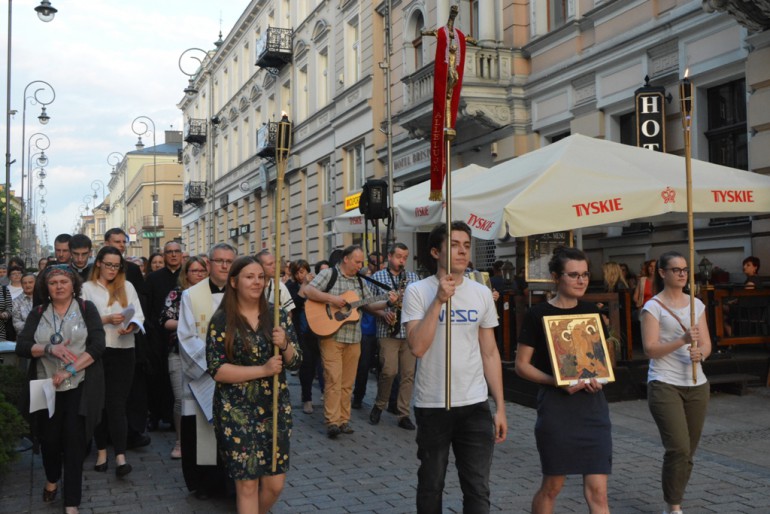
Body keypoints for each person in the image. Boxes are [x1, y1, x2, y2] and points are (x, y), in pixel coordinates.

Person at [402, 221, 507, 513]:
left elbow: (489, 352)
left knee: (477, 487)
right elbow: (417, 347)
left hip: (474, 404)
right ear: (436, 252)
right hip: (433, 403)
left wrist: (500, 406)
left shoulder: (481, 293)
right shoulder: (418, 292)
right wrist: (439, 301)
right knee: (431, 484)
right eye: (454, 245)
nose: (462, 251)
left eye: (466, 245)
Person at [515, 247, 612, 514]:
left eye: (585, 275)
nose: (581, 281)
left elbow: (602, 360)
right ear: (556, 277)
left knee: (599, 493)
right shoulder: (538, 314)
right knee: (553, 486)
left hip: (593, 408)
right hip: (557, 409)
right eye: (573, 275)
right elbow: (521, 366)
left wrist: (600, 379)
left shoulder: (593, 311)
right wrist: (555, 381)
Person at [207, 256, 301, 514]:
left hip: (274, 409)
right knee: (247, 486)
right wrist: (263, 370)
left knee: (275, 485)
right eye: (250, 277)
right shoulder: (221, 319)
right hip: (236, 411)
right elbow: (217, 369)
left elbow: (296, 363)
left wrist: (285, 345)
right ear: (234, 282)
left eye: (261, 276)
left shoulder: (278, 314)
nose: (257, 282)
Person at [14, 264, 106, 514]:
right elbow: (22, 346)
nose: (58, 286)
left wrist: (71, 369)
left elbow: (98, 346)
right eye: (53, 283)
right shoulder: (39, 312)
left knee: (75, 443)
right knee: (49, 440)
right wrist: (48, 348)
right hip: (45, 385)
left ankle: (71, 502)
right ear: (47, 287)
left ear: (73, 285)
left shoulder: (87, 309)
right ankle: (52, 478)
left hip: (79, 385)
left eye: (63, 282)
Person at [641, 251, 711, 514]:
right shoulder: (653, 307)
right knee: (678, 448)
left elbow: (707, 343)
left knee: (688, 451)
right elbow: (650, 349)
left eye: (685, 270)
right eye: (676, 269)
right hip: (664, 382)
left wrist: (700, 352)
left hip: (697, 384)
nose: (682, 274)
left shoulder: (696, 304)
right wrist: (682, 341)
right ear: (662, 273)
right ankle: (673, 506)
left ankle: (675, 498)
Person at [303, 245, 396, 438]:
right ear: (346, 259)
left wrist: (388, 302)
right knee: (333, 380)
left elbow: (369, 304)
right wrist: (333, 299)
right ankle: (332, 422)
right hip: (331, 336)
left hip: (354, 338)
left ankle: (344, 420)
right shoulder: (329, 274)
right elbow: (308, 291)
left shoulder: (361, 282)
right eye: (357, 261)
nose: (360, 265)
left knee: (347, 383)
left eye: (361, 262)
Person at [177, 243, 236, 499]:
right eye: (219, 261)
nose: (224, 266)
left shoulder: (242, 291)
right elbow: (186, 336)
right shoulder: (191, 295)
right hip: (204, 375)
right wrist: (214, 366)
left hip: (235, 375)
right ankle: (204, 484)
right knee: (199, 431)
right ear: (208, 264)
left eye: (229, 261)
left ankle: (232, 485)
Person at [81, 246, 144, 477]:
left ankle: (120, 457)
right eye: (108, 264)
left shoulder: (127, 286)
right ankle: (101, 452)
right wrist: (105, 318)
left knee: (117, 405)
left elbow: (138, 313)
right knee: (99, 404)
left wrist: (132, 325)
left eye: (116, 266)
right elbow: (79, 320)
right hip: (97, 352)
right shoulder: (85, 288)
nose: (112, 269)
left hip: (124, 351)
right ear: (98, 263)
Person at [103, 228, 151, 449]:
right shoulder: (93, 276)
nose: (122, 245)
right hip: (102, 341)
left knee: (127, 393)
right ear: (106, 243)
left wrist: (132, 322)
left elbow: (140, 302)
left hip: (127, 338)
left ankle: (129, 433)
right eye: (117, 241)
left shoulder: (131, 270)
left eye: (124, 242)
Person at [160, 256, 209, 459]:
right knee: (181, 399)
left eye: (201, 271)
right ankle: (180, 442)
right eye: (194, 271)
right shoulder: (176, 295)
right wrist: (189, 324)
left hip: (207, 354)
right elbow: (165, 321)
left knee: (205, 398)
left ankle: (205, 441)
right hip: (179, 353)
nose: (198, 274)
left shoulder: (211, 295)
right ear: (185, 273)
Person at [368, 242, 420, 430]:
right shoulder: (377, 277)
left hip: (409, 332)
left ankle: (403, 414)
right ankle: (379, 405)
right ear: (389, 257)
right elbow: (367, 304)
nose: (402, 261)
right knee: (389, 371)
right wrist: (383, 312)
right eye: (399, 257)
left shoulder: (413, 277)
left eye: (405, 257)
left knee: (408, 375)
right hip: (387, 331)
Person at [144, 241, 184, 432]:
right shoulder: (153, 278)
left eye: (177, 252)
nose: (173, 255)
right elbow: (148, 306)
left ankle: (172, 415)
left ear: (182, 254)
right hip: (158, 336)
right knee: (157, 377)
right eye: (169, 252)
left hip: (181, 336)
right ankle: (155, 415)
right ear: (164, 254)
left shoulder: (187, 276)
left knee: (175, 378)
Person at [285, 259, 320, 414]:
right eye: (298, 272)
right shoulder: (290, 287)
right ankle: (307, 398)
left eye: (304, 271)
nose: (301, 275)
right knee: (306, 365)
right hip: (301, 330)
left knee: (316, 365)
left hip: (316, 330)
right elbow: (294, 303)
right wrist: (304, 285)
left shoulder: (316, 284)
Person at [255, 249, 295, 315]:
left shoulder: (280, 286)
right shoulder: (251, 286)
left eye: (275, 263)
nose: (275, 266)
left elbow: (288, 313)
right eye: (270, 264)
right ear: (259, 266)